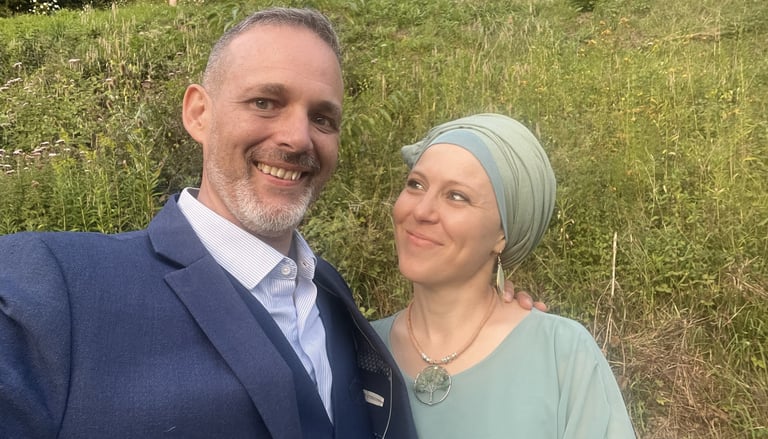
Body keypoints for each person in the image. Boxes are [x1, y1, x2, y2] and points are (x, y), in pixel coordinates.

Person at [0, 8, 537, 439]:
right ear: (199, 113)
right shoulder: (54, 288)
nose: (298, 138)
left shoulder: (335, 299)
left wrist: (499, 316)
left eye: (322, 118)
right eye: (265, 102)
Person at [372, 113, 636, 438]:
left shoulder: (560, 354)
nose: (421, 211)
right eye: (416, 184)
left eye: (457, 196)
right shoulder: (357, 347)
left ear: (502, 235)